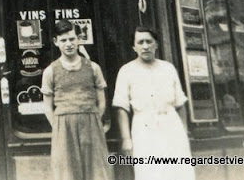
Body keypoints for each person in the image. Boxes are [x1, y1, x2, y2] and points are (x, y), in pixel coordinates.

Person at [112, 26, 195, 180]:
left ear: (156, 44)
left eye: (149, 41)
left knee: (178, 173)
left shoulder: (168, 68)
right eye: (140, 42)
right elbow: (121, 108)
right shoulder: (127, 71)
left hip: (171, 125)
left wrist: (183, 132)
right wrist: (126, 139)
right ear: (134, 47)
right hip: (144, 129)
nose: (145, 46)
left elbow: (180, 103)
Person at [41, 19, 113, 180]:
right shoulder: (50, 71)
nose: (68, 44)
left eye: (72, 39)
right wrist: (59, 126)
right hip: (63, 126)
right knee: (67, 171)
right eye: (63, 40)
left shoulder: (93, 68)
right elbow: (47, 107)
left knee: (96, 169)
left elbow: (101, 102)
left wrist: (91, 119)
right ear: (56, 42)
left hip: (90, 123)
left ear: (79, 39)